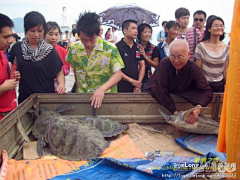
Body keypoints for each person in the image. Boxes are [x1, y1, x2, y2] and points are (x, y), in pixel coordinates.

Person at [146, 39, 213, 124]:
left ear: (188, 55)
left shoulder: (193, 68)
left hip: (187, 96)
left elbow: (207, 91)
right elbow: (158, 88)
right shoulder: (165, 63)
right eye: (172, 56)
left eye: (180, 57)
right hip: (166, 102)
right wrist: (175, 112)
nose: (176, 61)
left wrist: (198, 109)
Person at [66, 12, 124, 108]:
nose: (88, 44)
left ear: (98, 34)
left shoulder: (110, 48)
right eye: (84, 40)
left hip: (105, 98)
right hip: (82, 98)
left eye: (92, 39)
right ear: (78, 35)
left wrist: (102, 89)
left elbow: (118, 74)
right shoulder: (74, 48)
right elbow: (76, 69)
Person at [9, 11, 65, 104]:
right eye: (32, 31)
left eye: (40, 31)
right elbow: (12, 68)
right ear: (26, 30)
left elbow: (59, 73)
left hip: (46, 98)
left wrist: (61, 85)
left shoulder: (50, 50)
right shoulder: (17, 48)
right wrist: (15, 75)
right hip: (25, 98)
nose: (36, 35)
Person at [195, 15, 229, 92]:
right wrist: (203, 86)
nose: (219, 28)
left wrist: (228, 87)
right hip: (204, 86)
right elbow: (198, 70)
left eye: (221, 25)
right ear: (209, 29)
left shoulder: (227, 48)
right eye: (216, 25)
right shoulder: (200, 47)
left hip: (220, 85)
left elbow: (225, 70)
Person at [0, 13, 20, 120]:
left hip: (10, 109)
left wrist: (14, 77)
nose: (10, 40)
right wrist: (4, 87)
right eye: (5, 37)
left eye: (11, 36)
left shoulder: (3, 53)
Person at [116, 20, 145, 93]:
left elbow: (142, 65)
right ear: (125, 31)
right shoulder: (117, 47)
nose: (136, 31)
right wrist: (131, 81)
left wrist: (138, 83)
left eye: (136, 29)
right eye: (133, 28)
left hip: (136, 86)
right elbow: (116, 69)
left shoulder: (138, 47)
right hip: (121, 85)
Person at [137, 23, 159, 92]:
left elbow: (156, 65)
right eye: (145, 32)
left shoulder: (153, 48)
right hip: (134, 77)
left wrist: (145, 57)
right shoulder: (134, 46)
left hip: (147, 78)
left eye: (149, 32)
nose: (148, 34)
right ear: (139, 34)